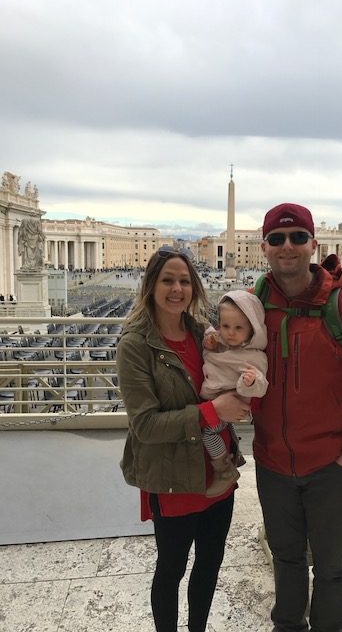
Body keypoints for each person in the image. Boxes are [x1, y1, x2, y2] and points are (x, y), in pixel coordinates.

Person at [252, 203, 342, 632]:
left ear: (315, 244)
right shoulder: (254, 305)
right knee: (286, 559)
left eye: (297, 237)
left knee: (331, 566)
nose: (287, 246)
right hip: (273, 464)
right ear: (265, 248)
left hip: (332, 466)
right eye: (277, 239)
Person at [116, 248, 250, 632]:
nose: (177, 289)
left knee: (209, 566)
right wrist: (212, 412)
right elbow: (145, 426)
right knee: (171, 569)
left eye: (185, 281)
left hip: (218, 472)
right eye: (168, 280)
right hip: (173, 479)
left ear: (194, 286)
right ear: (151, 285)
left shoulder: (202, 333)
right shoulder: (135, 345)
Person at [200, 289, 268, 497]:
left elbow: (261, 385)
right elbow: (216, 351)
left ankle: (223, 469)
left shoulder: (253, 357)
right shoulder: (222, 341)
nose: (230, 333)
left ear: (252, 329)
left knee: (208, 432)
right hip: (216, 399)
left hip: (230, 404)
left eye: (238, 328)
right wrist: (210, 344)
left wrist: (248, 382)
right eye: (225, 326)